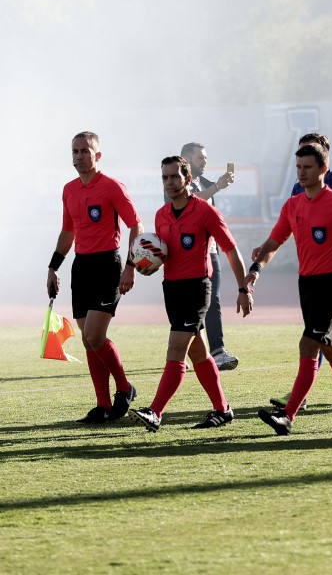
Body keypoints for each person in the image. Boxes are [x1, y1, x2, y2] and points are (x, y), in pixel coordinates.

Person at [252, 142, 332, 435]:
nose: (301, 173)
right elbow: (274, 241)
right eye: (298, 167)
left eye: (307, 167)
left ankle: (288, 416)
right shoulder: (292, 205)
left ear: (323, 169)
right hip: (306, 284)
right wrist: (255, 271)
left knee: (308, 344)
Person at [127, 156, 253, 432]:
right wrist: (148, 266)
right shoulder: (161, 216)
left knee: (176, 350)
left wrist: (244, 288)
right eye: (165, 178)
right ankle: (223, 410)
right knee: (199, 353)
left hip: (197, 287)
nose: (170, 183)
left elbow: (231, 251)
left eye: (175, 176)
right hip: (171, 289)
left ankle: (155, 412)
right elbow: (163, 255)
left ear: (188, 178)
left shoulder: (206, 212)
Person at [47, 131, 142, 424]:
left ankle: (124, 389)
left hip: (108, 266)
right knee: (88, 342)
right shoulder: (69, 190)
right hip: (81, 267)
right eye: (75, 151)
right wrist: (53, 267)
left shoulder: (112, 187)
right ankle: (102, 405)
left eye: (85, 151)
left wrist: (130, 266)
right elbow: (68, 232)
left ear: (97, 155)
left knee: (94, 335)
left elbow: (136, 226)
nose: (79, 156)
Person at [180, 142, 240, 371]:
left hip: (210, 252)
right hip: (186, 254)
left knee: (212, 301)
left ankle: (217, 351)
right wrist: (217, 186)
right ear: (185, 158)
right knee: (188, 306)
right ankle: (182, 352)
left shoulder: (205, 183)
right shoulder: (177, 183)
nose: (204, 161)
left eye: (205, 158)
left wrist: (216, 186)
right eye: (199, 158)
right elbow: (189, 202)